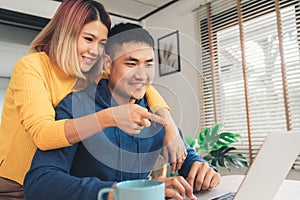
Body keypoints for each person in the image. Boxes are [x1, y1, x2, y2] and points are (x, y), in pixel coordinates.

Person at [0, 0, 187, 199]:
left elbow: (141, 85)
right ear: (66, 34)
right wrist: (110, 117)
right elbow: (43, 134)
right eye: (88, 39)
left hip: (53, 178)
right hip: (13, 184)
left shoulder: (88, 73)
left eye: (102, 43)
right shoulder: (31, 67)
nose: (95, 51)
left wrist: (170, 126)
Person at [23, 22, 221, 200]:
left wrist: (203, 171)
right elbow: (39, 183)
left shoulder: (157, 113)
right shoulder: (76, 106)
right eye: (131, 63)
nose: (142, 75)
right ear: (108, 64)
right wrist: (119, 192)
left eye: (149, 64)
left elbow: (188, 158)